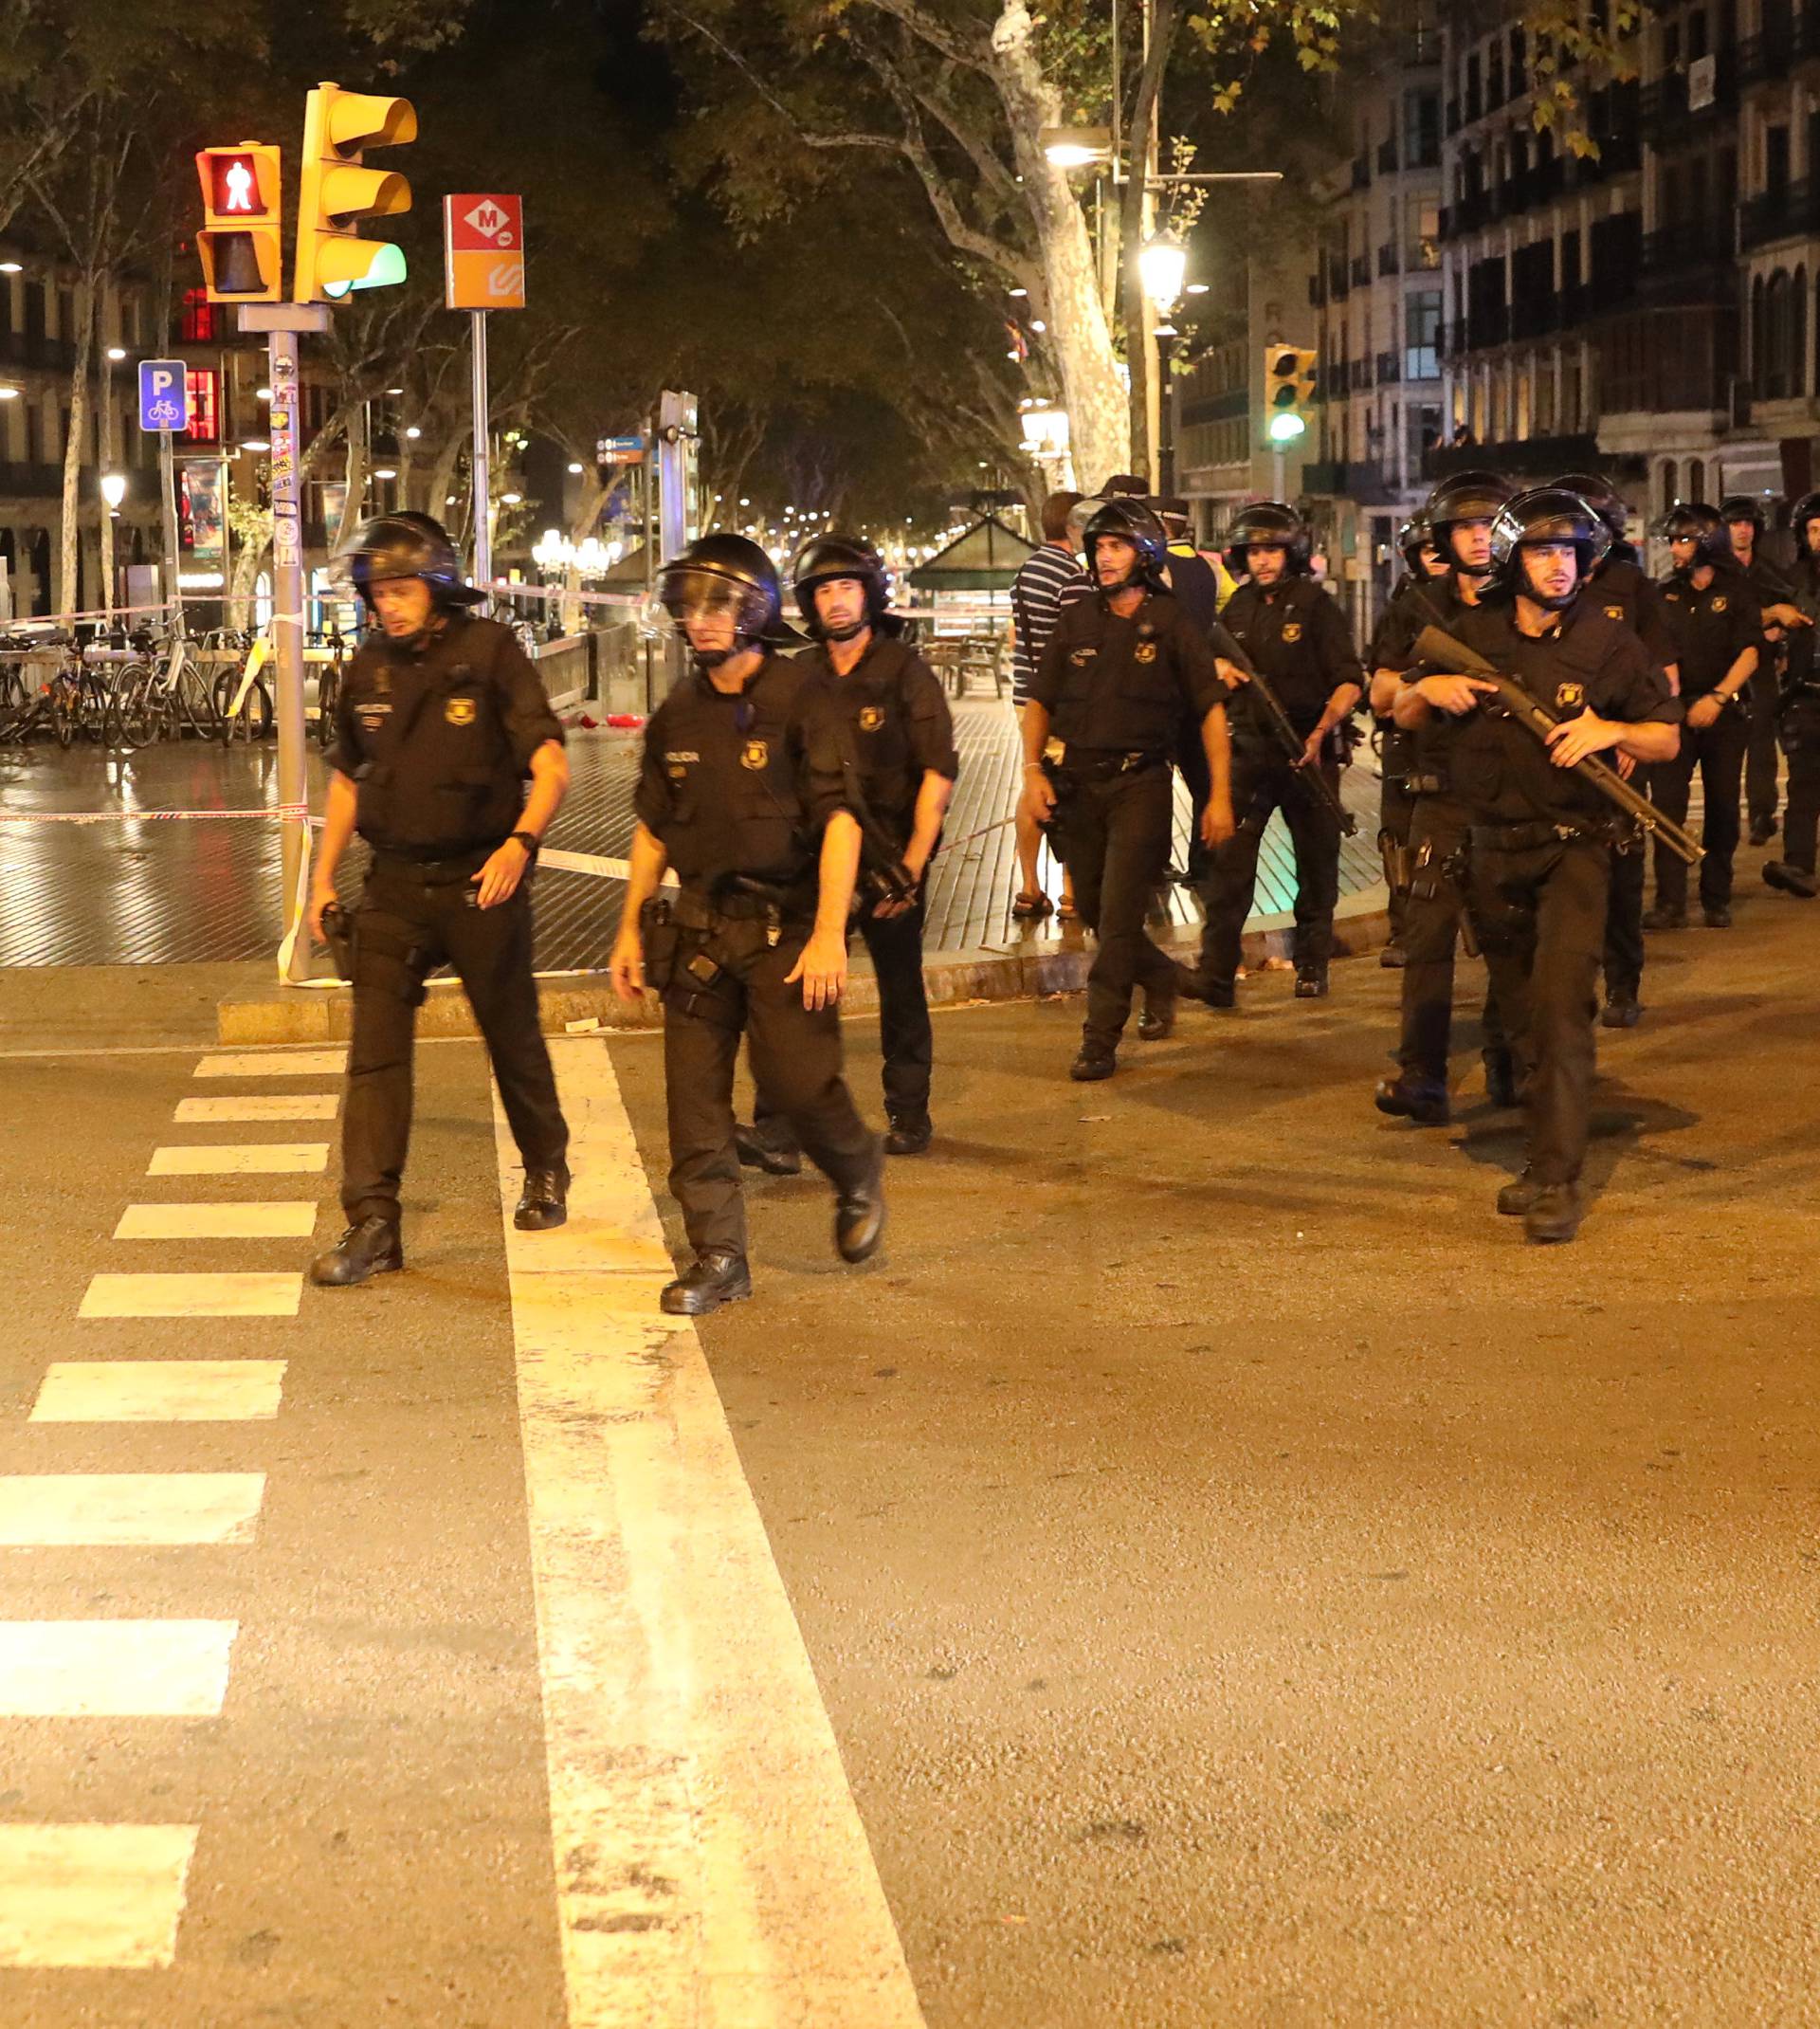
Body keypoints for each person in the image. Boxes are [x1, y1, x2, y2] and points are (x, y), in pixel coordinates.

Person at [1392, 486, 1681, 1243]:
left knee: (1559, 1011)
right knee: (1519, 1015)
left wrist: (1607, 729)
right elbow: (1401, 712)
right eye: (1543, 551)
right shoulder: (1473, 630)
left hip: (1574, 849)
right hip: (1491, 852)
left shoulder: (1610, 641)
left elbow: (1665, 738)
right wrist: (1428, 690)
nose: (1559, 567)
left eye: (1571, 553)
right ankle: (1540, 1156)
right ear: (1515, 560)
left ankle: (1558, 1176)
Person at [608, 534, 884, 1316]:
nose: (700, 620)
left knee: (799, 1087)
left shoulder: (804, 698)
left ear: (755, 610)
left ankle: (856, 1168)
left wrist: (831, 931)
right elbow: (653, 828)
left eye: (718, 603)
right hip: (698, 934)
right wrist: (628, 928)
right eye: (690, 604)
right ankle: (720, 1256)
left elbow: (840, 822)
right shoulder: (676, 714)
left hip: (786, 932)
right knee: (693, 1105)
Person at [305, 513, 572, 1288]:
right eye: (377, 591)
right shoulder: (367, 667)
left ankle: (546, 1167)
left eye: (402, 587)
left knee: (511, 1035)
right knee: (375, 1057)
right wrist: (322, 880)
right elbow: (348, 778)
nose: (388, 603)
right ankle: (373, 1223)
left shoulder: (491, 653)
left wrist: (520, 845)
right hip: (391, 887)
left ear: (439, 584)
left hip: (479, 883)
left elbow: (550, 763)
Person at [751, 534, 958, 1159]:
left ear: (870, 592)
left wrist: (914, 867)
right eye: (821, 590)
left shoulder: (904, 671)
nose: (835, 601)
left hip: (891, 858)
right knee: (798, 992)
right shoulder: (796, 676)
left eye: (846, 586)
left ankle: (908, 1109)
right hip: (814, 864)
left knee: (900, 987)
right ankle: (780, 1124)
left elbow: (937, 774)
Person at [1018, 497, 1234, 1079]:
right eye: (1098, 548)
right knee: (1090, 909)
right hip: (1078, 787)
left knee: (1115, 922)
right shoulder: (1077, 620)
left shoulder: (1171, 624)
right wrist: (1033, 772)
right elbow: (1039, 700)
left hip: (1141, 785)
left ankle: (1099, 1039)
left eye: (1115, 547)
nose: (1104, 557)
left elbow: (1211, 710)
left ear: (1143, 553)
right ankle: (1165, 979)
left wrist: (1219, 796)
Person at [1370, 470, 1514, 1124]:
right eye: (1466, 527)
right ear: (1444, 537)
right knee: (1426, 936)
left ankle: (1509, 1057)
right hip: (1440, 793)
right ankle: (1422, 1074)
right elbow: (1381, 695)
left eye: (1489, 526)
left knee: (1512, 936)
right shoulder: (1417, 605)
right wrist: (1427, 687)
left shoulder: (1526, 601)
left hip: (1513, 794)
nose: (1479, 539)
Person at [1187, 499, 1362, 1006]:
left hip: (1308, 752)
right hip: (1249, 753)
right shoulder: (1235, 610)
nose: (1263, 560)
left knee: (1316, 863)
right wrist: (1216, 668)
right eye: (1254, 551)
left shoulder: (1316, 606)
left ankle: (1311, 964)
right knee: (1229, 866)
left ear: (1292, 552)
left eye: (1273, 550)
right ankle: (1217, 973)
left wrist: (1321, 730)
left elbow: (1350, 680)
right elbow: (1205, 670)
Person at [1555, 472, 1681, 1030]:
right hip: (1554, 755)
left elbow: (1664, 674)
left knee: (1624, 875)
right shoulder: (1542, 589)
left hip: (1618, 755)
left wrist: (1628, 734)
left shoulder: (1631, 587)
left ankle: (1623, 983)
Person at [1647, 503, 1760, 930]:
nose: (1676, 548)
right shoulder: (1664, 594)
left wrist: (1716, 698)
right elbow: (1657, 653)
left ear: (1707, 542)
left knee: (1724, 808)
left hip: (1725, 713)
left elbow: (1751, 651)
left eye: (1684, 540)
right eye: (1674, 540)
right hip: (1675, 713)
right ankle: (1670, 902)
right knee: (1666, 809)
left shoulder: (1738, 592)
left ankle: (1716, 898)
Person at [1368, 512, 1449, 967]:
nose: (1436, 559)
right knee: (1398, 839)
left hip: (1457, 739)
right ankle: (1403, 930)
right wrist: (1423, 684)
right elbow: (1380, 690)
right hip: (1405, 739)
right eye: (1427, 550)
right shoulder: (1403, 609)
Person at [1010, 491, 1085, 918]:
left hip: (1026, 695)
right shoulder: (1072, 575)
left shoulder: (1027, 570)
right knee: (1067, 789)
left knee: (1033, 784)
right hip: (1059, 698)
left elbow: (1018, 636)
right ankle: (1071, 892)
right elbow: (1076, 640)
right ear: (1073, 526)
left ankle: (1029, 886)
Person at [1720, 493, 1811, 847]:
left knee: (1761, 744)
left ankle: (1761, 813)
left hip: (1761, 664)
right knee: (1725, 747)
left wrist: (1781, 635)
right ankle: (1727, 814)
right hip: (1722, 666)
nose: (1743, 531)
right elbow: (1722, 617)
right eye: (1735, 524)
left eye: (1747, 524)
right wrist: (1768, 617)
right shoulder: (1715, 571)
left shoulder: (1770, 571)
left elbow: (1792, 611)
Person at [1764, 489, 1820, 898]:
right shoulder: (1791, 579)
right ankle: (1799, 865)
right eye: (1814, 530)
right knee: (1802, 783)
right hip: (1805, 694)